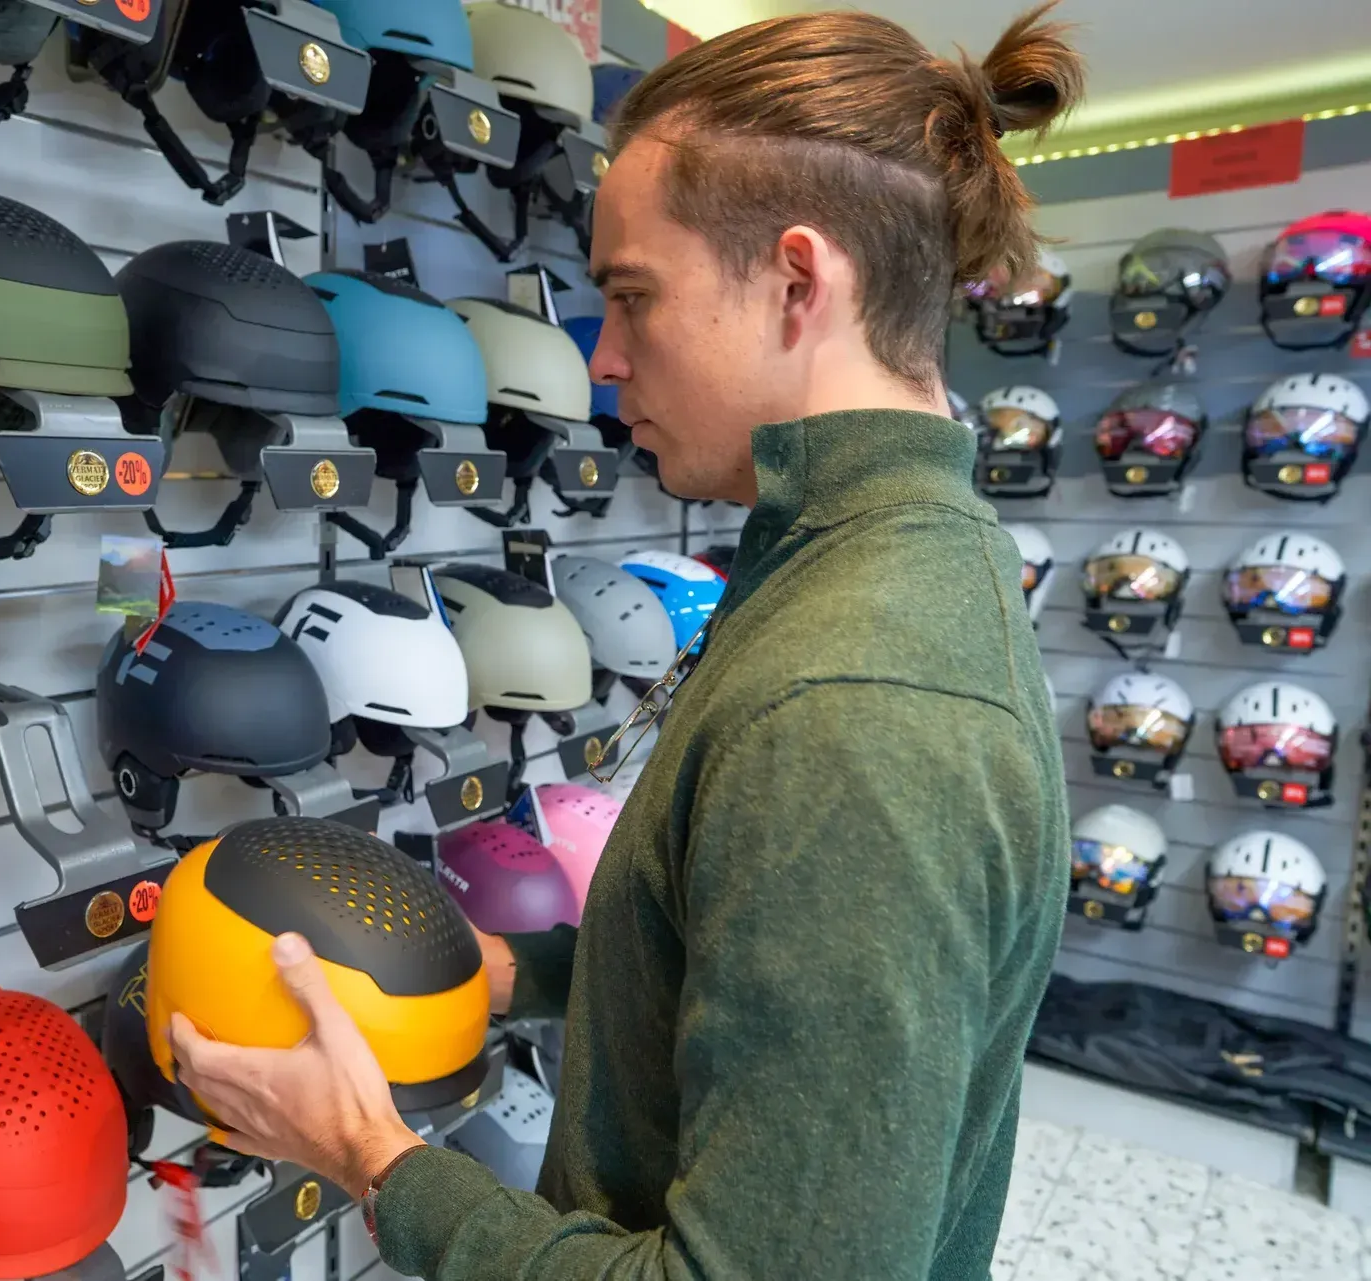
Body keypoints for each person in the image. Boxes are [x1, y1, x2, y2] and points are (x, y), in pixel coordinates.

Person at [167, 5, 1081, 1277]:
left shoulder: (855, 704)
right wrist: (523, 971)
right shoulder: (886, 561)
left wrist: (377, 1160)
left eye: (634, 299)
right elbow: (759, 946)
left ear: (800, 284)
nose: (602, 362)